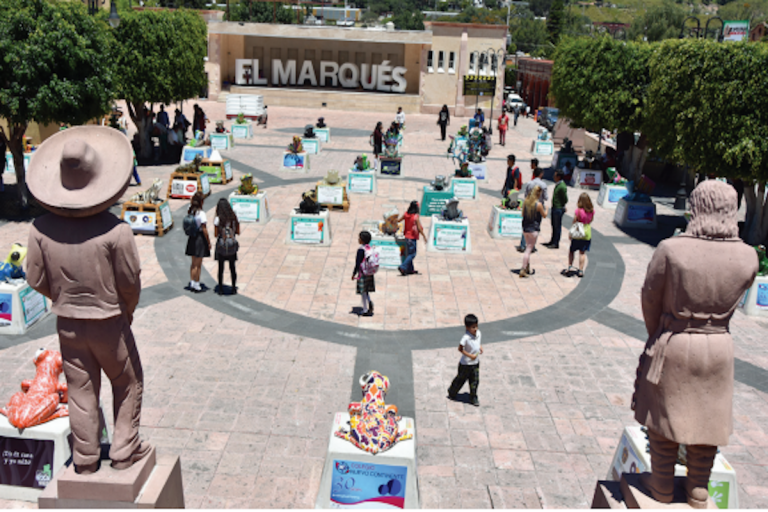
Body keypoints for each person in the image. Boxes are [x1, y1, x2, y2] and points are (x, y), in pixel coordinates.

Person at [25, 126, 152, 474]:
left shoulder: (39, 229)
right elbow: (130, 283)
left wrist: (63, 298)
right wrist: (126, 310)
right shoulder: (116, 231)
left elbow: (34, 278)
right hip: (108, 321)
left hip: (67, 323)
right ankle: (125, 449)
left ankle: (85, 458)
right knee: (127, 382)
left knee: (80, 389)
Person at [632, 180, 757, 507]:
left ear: (698, 207)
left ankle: (660, 486)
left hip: (676, 340)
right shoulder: (748, 257)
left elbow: (650, 298)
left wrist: (657, 334)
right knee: (708, 420)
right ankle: (698, 491)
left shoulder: (672, 250)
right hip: (719, 348)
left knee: (662, 418)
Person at [447, 314, 482, 407]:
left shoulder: (478, 333)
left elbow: (478, 342)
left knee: (475, 380)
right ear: (467, 327)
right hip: (465, 364)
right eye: (473, 327)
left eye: (476, 326)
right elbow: (460, 349)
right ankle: (452, 391)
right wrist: (470, 355)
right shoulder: (465, 338)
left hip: (475, 363)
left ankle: (473, 397)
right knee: (461, 380)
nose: (475, 329)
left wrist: (480, 348)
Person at [517, 163, 548, 253]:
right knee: (536, 226)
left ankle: (523, 245)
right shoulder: (543, 184)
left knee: (526, 225)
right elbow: (546, 197)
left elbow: (526, 195)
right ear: (541, 174)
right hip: (538, 207)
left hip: (528, 205)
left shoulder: (529, 183)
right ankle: (532, 246)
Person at [185, 191, 211, 293]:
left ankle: (192, 281)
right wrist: (208, 242)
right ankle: (197, 283)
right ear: (201, 202)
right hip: (199, 238)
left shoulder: (190, 210)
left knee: (192, 263)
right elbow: (204, 229)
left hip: (192, 237)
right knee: (198, 264)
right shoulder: (202, 214)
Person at [563, 193, 594, 278]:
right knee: (582, 252)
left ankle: (570, 266)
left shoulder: (578, 211)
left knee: (572, 250)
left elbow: (575, 220)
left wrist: (571, 231)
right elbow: (591, 220)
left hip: (578, 232)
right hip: (587, 232)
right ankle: (580, 270)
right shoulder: (592, 210)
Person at [519, 186, 547, 278]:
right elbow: (544, 215)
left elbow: (522, 214)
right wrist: (546, 209)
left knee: (528, 248)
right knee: (528, 250)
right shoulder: (538, 205)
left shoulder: (526, 202)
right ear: (538, 194)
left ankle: (527, 266)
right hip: (533, 230)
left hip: (525, 229)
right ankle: (523, 269)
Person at [214, 198, 240, 296]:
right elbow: (238, 232)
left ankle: (220, 289)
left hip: (221, 246)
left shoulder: (218, 219)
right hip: (231, 246)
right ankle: (233, 287)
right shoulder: (234, 218)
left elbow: (216, 234)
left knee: (221, 268)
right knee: (232, 267)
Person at [397, 200, 428, 276]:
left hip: (407, 237)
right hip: (412, 237)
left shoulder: (405, 214)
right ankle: (403, 267)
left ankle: (410, 269)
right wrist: (424, 236)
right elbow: (419, 228)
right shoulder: (415, 217)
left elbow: (399, 220)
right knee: (412, 254)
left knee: (409, 253)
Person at [351, 231, 375, 317]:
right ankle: (369, 302)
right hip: (370, 272)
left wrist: (354, 274)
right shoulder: (369, 248)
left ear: (362, 240)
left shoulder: (361, 250)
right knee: (367, 290)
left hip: (363, 273)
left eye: (359, 238)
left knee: (363, 291)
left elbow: (357, 263)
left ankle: (365, 309)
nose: (358, 239)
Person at [544, 170, 568, 249]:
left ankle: (555, 243)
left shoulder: (562, 186)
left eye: (555, 176)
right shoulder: (558, 185)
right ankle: (552, 240)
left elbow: (565, 199)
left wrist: (562, 205)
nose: (553, 177)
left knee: (557, 226)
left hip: (558, 208)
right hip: (555, 207)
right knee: (554, 225)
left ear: (558, 177)